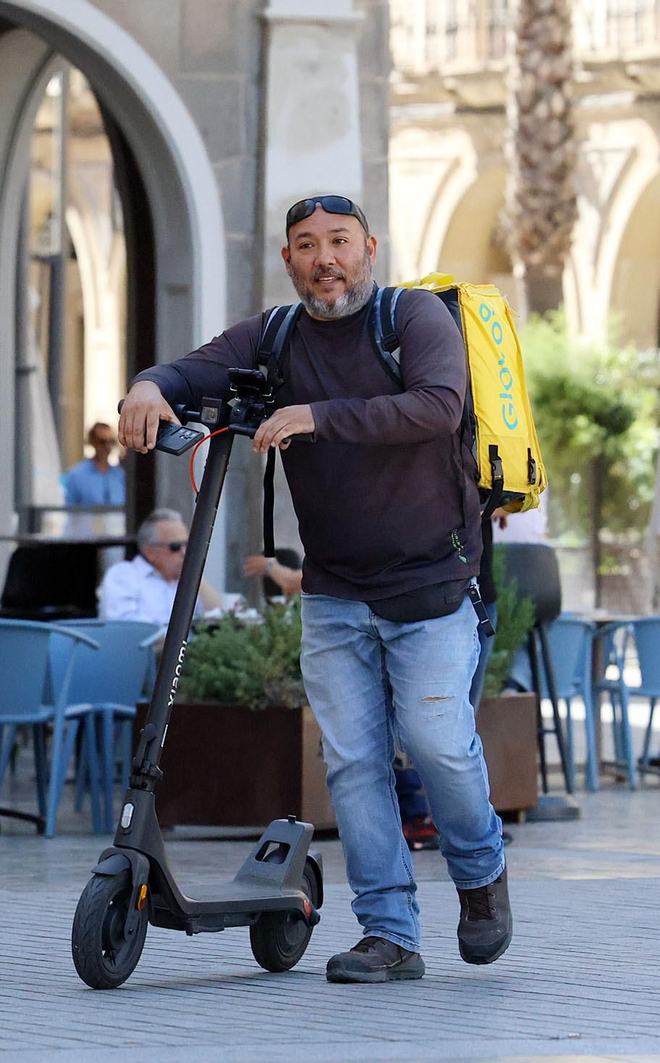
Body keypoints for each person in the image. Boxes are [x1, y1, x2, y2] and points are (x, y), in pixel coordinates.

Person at [118, 194, 509, 984]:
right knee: (354, 763)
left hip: (433, 582)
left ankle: (480, 873)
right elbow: (193, 365)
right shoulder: (277, 333)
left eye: (338, 241)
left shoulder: (414, 319)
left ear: (369, 247)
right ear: (289, 259)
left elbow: (439, 406)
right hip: (334, 589)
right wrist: (149, 387)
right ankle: (389, 932)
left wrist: (317, 417)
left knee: (440, 745)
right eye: (305, 245)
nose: (323, 258)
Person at [97, 508, 221, 626]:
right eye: (175, 547)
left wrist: (196, 574)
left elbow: (220, 618)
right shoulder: (124, 575)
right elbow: (123, 625)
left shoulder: (187, 581)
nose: (184, 553)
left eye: (187, 545)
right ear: (150, 552)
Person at [62, 422, 125, 507]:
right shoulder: (77, 475)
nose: (107, 446)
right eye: (102, 442)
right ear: (92, 441)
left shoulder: (120, 475)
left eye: (111, 441)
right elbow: (69, 509)